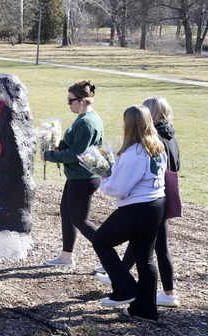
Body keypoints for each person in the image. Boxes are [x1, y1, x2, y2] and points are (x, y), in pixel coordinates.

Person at [96, 96, 181, 308]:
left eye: (125, 121)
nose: (122, 124)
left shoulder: (134, 151)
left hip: (138, 209)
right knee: (145, 259)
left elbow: (120, 189)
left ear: (131, 124)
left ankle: (125, 289)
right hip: (157, 206)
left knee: (100, 241)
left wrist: (103, 181)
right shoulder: (157, 146)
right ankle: (145, 310)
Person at [41, 80, 104, 267]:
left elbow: (77, 154)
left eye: (71, 100)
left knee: (80, 220)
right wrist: (59, 148)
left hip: (84, 178)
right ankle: (66, 257)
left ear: (83, 100)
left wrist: (50, 155)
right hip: (77, 177)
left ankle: (110, 256)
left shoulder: (86, 122)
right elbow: (76, 146)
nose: (68, 104)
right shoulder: (84, 118)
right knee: (67, 214)